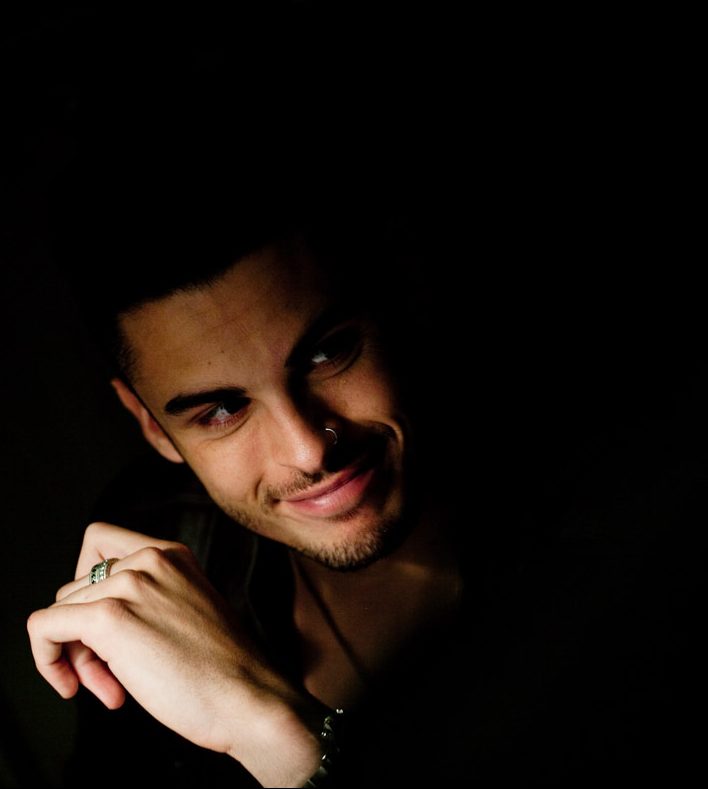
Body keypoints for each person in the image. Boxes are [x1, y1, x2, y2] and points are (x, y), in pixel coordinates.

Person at [25, 71, 707, 787]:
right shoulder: (151, 551)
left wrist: (282, 736)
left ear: (398, 303)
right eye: (222, 411)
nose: (307, 448)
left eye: (327, 353)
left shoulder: (622, 503)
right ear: (151, 426)